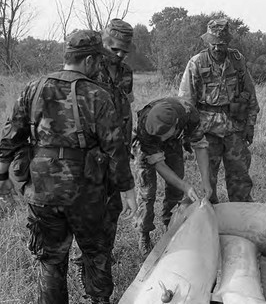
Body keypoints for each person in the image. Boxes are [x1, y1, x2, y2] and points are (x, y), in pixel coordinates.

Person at [0, 30, 136, 304]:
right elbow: (115, 148)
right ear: (87, 61)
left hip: (42, 191)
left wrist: (2, 175)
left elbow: (10, 137)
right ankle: (98, 300)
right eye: (97, 61)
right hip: (86, 193)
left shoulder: (33, 88)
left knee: (51, 259)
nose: (99, 66)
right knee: (96, 254)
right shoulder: (97, 95)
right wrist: (127, 188)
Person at [72, 18, 135, 279]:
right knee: (89, 210)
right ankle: (82, 262)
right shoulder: (89, 70)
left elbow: (127, 106)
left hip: (117, 150)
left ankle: (104, 256)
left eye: (124, 50)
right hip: (91, 154)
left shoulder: (126, 72)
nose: (119, 55)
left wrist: (127, 143)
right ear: (104, 43)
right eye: (115, 49)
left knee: (113, 207)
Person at [179, 18, 260, 203]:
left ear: (228, 42)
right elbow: (186, 102)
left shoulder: (237, 61)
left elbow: (251, 96)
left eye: (221, 44)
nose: (217, 48)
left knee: (240, 179)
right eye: (213, 43)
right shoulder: (196, 63)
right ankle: (210, 222)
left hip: (235, 128)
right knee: (208, 182)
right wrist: (187, 133)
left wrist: (250, 125)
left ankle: (241, 221)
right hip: (206, 131)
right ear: (208, 41)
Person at [134, 97, 210, 254]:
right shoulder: (146, 127)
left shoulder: (190, 115)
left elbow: (200, 146)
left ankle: (171, 225)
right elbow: (159, 164)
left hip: (174, 142)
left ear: (176, 124)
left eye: (164, 135)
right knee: (147, 193)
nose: (160, 139)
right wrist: (186, 187)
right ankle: (144, 233)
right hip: (147, 148)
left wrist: (206, 181)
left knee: (176, 188)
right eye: (159, 136)